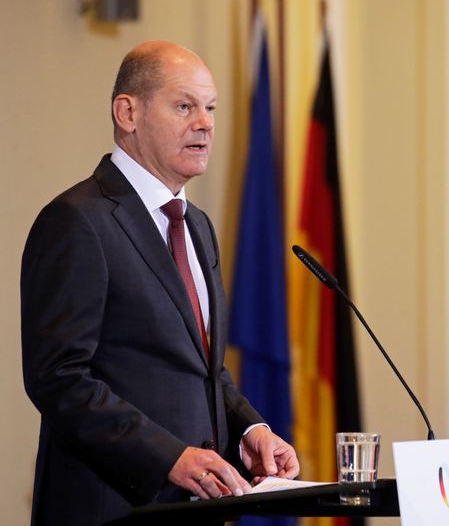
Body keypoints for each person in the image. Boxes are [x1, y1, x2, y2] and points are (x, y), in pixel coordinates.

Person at [20, 40, 299, 526]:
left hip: (197, 508)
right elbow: (59, 378)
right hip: (111, 506)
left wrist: (250, 427)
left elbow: (203, 368)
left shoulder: (198, 227)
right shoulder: (77, 221)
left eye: (211, 108)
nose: (206, 123)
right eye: (185, 106)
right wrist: (168, 456)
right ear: (128, 112)